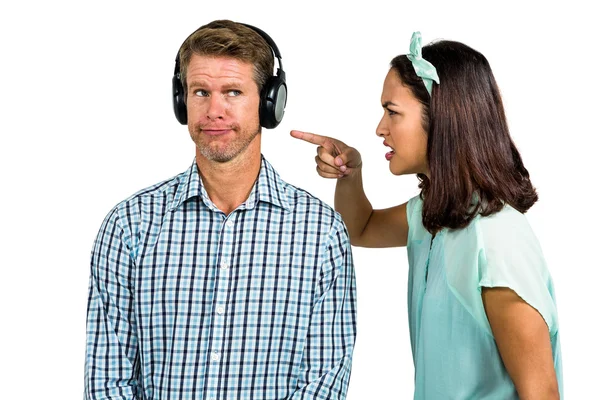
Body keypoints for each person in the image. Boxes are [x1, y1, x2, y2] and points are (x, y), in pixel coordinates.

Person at [84, 20, 357, 400]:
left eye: (233, 92)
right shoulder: (129, 226)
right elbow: (107, 381)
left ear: (269, 103)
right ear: (181, 101)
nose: (214, 110)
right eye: (200, 92)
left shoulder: (320, 231)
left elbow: (323, 382)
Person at [292, 32, 562, 399]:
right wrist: (351, 174)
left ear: (441, 120)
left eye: (392, 112)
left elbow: (541, 393)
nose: (380, 128)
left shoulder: (496, 243)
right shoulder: (432, 216)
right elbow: (361, 227)